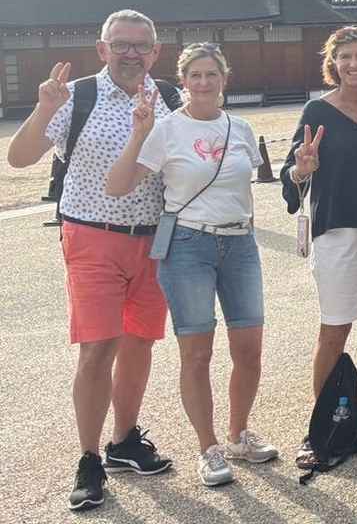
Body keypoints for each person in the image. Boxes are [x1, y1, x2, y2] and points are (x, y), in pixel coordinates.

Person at [5, 10, 176, 510]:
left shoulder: (169, 97)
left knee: (141, 343)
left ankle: (124, 440)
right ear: (102, 49)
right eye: (120, 44)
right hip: (92, 235)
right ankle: (87, 456)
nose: (131, 54)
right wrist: (42, 111)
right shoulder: (76, 95)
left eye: (140, 46)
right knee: (98, 348)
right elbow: (19, 158)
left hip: (153, 238)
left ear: (155, 52)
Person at [106, 43, 279, 488]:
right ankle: (209, 447)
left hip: (239, 244)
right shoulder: (165, 129)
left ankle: (239, 434)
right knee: (197, 352)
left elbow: (246, 190)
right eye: (194, 75)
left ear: (225, 78)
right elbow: (120, 185)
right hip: (187, 246)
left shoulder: (240, 127)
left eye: (211, 74)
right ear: (182, 81)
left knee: (249, 349)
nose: (203, 83)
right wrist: (139, 134)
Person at [280, 26, 357, 468]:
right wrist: (302, 168)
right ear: (333, 63)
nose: (354, 64)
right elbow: (291, 173)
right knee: (335, 326)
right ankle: (322, 425)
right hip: (335, 228)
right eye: (345, 57)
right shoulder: (318, 110)